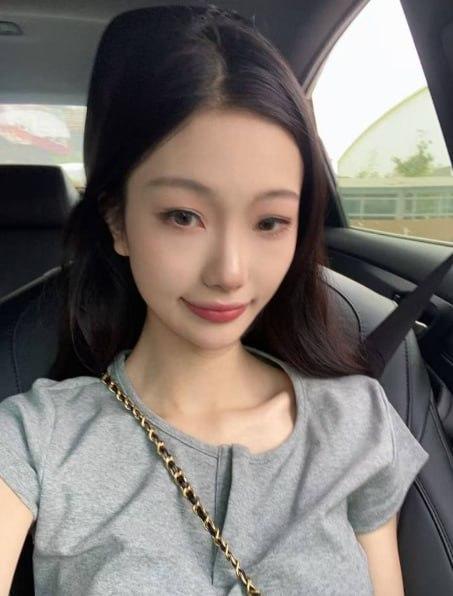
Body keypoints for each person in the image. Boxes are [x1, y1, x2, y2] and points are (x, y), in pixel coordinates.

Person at [0, 4, 429, 595]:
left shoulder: (356, 422)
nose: (229, 273)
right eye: (183, 216)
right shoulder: (36, 437)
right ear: (118, 221)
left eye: (270, 222)